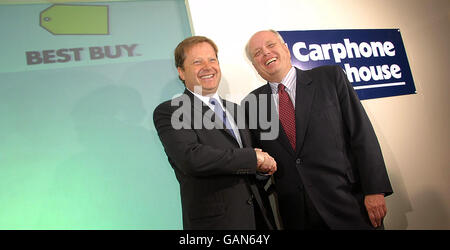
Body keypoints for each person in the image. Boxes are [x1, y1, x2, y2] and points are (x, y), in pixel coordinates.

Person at [242, 30, 393, 230]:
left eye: (271, 45)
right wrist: (260, 169)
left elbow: (361, 133)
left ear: (286, 48)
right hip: (298, 216)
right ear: (255, 65)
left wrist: (375, 190)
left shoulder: (330, 77)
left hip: (349, 204)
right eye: (258, 53)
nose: (266, 53)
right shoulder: (251, 104)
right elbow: (259, 159)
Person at [153, 36, 277, 230]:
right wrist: (253, 158)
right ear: (181, 72)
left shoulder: (237, 110)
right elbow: (191, 159)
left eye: (212, 60)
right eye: (197, 62)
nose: (207, 66)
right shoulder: (171, 111)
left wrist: (261, 169)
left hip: (258, 220)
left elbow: (247, 164)